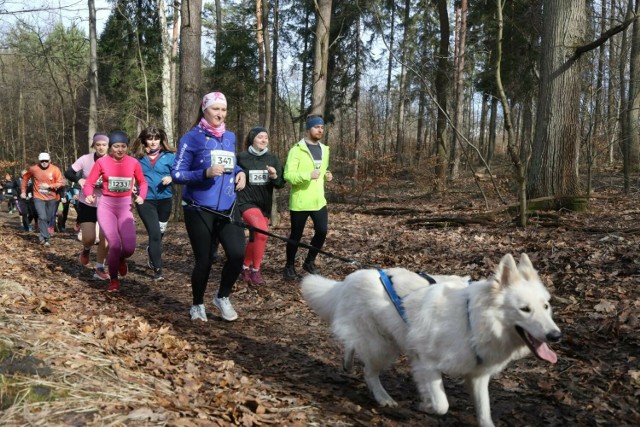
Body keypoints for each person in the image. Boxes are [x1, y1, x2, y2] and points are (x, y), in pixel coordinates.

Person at [171, 91, 246, 322]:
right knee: (204, 259)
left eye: (223, 110)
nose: (220, 114)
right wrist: (204, 173)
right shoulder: (191, 138)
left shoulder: (230, 137)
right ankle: (197, 304)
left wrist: (240, 172)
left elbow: (230, 164)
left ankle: (222, 296)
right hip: (199, 208)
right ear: (205, 110)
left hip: (227, 207)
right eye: (215, 109)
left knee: (237, 254)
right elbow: (176, 173)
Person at [83, 130, 148, 292]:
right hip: (106, 207)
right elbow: (89, 183)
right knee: (114, 244)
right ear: (111, 147)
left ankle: (120, 259)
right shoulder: (102, 162)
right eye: (116, 146)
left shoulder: (133, 163)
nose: (120, 150)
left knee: (129, 248)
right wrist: (89, 195)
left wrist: (142, 196)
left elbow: (143, 183)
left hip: (125, 207)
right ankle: (113, 280)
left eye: (123, 146)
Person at [282, 115, 333, 280]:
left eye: (322, 127)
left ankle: (309, 261)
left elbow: (321, 170)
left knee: (322, 231)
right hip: (300, 200)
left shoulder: (324, 149)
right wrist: (307, 175)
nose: (320, 130)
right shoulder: (296, 149)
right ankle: (289, 266)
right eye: (316, 127)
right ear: (308, 129)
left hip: (319, 200)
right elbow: (288, 175)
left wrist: (326, 174)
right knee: (296, 236)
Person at [236, 126, 285, 285]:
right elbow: (231, 174)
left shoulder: (273, 159)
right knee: (263, 233)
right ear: (252, 139)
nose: (264, 140)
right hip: (246, 202)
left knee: (256, 236)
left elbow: (279, 184)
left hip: (264, 204)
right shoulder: (241, 157)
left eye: (266, 137)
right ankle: (256, 270)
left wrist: (274, 175)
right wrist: (239, 174)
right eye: (260, 137)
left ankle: (244, 268)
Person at [131, 126, 176, 281]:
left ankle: (152, 250)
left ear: (161, 139)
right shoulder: (137, 158)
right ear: (144, 140)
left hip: (165, 200)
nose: (153, 141)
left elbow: (180, 172)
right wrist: (132, 187)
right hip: (145, 200)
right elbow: (128, 175)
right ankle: (158, 268)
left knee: (159, 234)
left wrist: (172, 178)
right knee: (155, 233)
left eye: (156, 138)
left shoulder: (170, 156)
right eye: (150, 138)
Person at [66, 133, 110, 280]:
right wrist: (80, 181)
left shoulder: (113, 160)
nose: (101, 147)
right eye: (98, 145)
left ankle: (99, 268)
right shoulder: (85, 159)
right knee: (90, 238)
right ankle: (86, 249)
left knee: (106, 238)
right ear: (94, 146)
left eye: (104, 145)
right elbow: (69, 172)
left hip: (107, 203)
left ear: (108, 146)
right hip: (88, 202)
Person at [21, 153, 64, 246]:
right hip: (38, 197)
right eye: (42, 161)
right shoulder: (34, 169)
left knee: (48, 218)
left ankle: (44, 235)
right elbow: (25, 178)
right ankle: (45, 238)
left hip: (51, 197)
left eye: (46, 161)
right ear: (39, 161)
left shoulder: (55, 169)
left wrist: (49, 186)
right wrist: (23, 191)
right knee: (42, 217)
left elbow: (60, 182)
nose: (44, 163)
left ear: (49, 161)